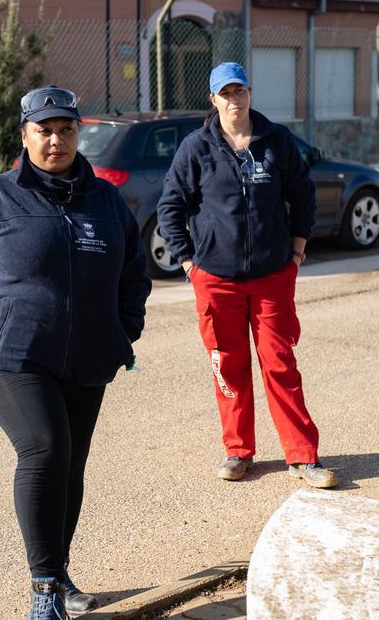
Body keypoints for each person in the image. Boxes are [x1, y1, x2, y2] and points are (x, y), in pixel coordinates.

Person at [0, 85, 152, 619]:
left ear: (79, 132)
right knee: (45, 449)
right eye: (45, 130)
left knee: (70, 467)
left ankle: (59, 570)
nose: (57, 140)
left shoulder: (104, 200)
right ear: (26, 135)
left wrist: (123, 331)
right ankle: (44, 590)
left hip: (89, 359)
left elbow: (133, 272)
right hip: (12, 357)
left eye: (67, 129)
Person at [157, 62, 338, 489]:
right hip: (215, 280)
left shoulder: (277, 142)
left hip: (273, 275)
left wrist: (296, 253)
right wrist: (189, 264)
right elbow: (170, 208)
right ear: (213, 99)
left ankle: (303, 456)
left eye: (240, 91)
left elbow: (302, 196)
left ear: (250, 94)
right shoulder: (196, 148)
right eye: (226, 94)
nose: (234, 100)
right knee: (228, 367)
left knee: (281, 364)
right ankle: (238, 452)